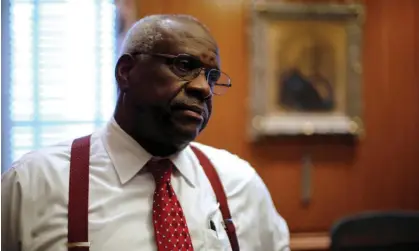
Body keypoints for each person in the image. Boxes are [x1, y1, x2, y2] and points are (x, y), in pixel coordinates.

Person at [2, 14, 290, 251]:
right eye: (184, 66)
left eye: (212, 77)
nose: (203, 88)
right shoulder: (34, 183)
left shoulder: (239, 183)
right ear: (126, 72)